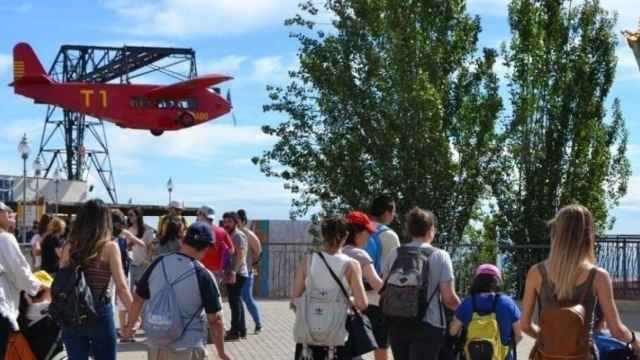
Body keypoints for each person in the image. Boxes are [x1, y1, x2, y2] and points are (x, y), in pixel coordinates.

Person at [521, 204, 640, 358]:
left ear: (556, 233)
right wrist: (634, 340)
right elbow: (616, 329)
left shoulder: (536, 272)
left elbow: (525, 325)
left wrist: (552, 340)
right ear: (588, 234)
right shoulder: (598, 276)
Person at [122, 223, 231, 360]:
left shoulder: (158, 262)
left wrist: (130, 326)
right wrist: (221, 352)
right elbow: (215, 320)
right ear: (206, 247)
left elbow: (138, 298)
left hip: (157, 346)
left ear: (184, 240)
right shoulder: (203, 275)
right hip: (188, 347)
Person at [382, 207, 461, 360]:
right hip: (428, 324)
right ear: (431, 230)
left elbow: (384, 288)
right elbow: (448, 298)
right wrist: (464, 309)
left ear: (409, 230)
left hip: (397, 323)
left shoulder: (395, 253)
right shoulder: (440, 256)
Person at [59, 199, 133, 360]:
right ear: (105, 221)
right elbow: (121, 286)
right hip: (100, 311)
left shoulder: (69, 246)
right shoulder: (110, 247)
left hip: (73, 312)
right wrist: (134, 315)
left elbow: (63, 280)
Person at [291, 216, 368, 360]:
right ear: (346, 236)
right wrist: (348, 300)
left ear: (323, 235)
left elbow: (295, 299)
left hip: (309, 336)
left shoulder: (308, 261)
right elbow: (362, 304)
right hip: (338, 336)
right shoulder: (351, 265)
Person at [0, 201, 47, 359]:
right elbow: (22, 273)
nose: (11, 214)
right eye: (7, 211)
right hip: (3, 309)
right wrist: (42, 286)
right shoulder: (5, 238)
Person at [449, 264, 522, 360]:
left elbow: (453, 331)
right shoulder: (508, 303)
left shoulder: (468, 302)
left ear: (477, 281)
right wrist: (505, 349)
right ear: (497, 281)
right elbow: (519, 335)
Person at [343, 210, 386, 359]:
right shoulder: (359, 255)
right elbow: (376, 284)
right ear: (357, 232)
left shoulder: (335, 252)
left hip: (331, 316)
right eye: (367, 232)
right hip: (350, 315)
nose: (369, 236)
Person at [222, 211, 249, 341]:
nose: (226, 224)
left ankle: (234, 332)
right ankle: (241, 330)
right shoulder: (229, 235)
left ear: (235, 222)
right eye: (225, 221)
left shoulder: (238, 235)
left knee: (234, 303)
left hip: (238, 273)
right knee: (236, 302)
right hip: (232, 272)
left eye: (229, 221)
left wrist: (233, 271)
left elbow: (240, 255)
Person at [237, 209, 263, 334]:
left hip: (246, 271)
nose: (235, 223)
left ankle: (258, 324)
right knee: (236, 299)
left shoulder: (248, 234)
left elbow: (258, 251)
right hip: (235, 271)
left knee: (247, 297)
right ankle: (239, 327)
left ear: (243, 221)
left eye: (237, 221)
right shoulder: (234, 233)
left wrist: (252, 265)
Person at [365, 195, 401, 276]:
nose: (394, 215)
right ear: (387, 213)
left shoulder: (359, 230)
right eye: (393, 212)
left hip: (352, 283)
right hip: (377, 284)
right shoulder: (389, 235)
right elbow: (395, 266)